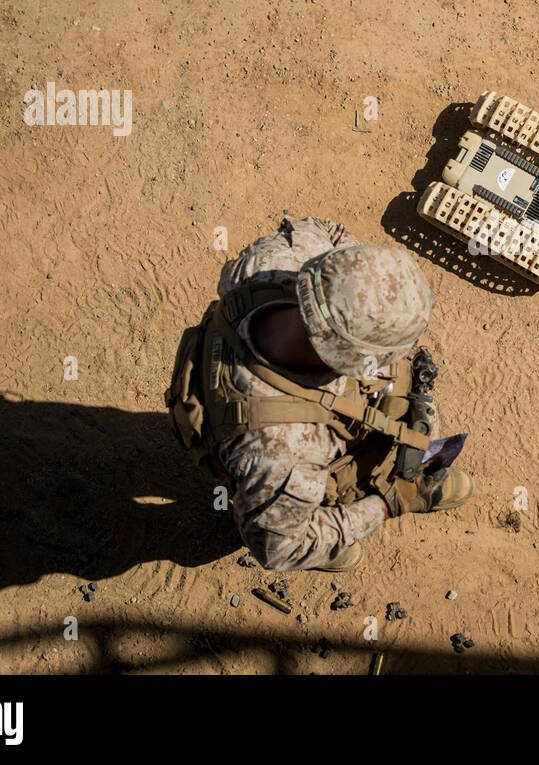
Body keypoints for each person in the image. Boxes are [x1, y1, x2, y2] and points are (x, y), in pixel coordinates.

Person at [179, 216, 473, 572]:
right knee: (306, 532)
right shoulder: (288, 453)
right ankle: (332, 537)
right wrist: (384, 505)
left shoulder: (277, 259)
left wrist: (362, 284)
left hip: (225, 372)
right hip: (258, 438)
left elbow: (326, 229)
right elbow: (275, 551)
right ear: (350, 359)